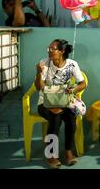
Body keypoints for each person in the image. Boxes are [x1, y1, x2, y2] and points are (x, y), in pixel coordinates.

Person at [35, 39, 86, 168]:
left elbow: (82, 83)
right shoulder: (44, 63)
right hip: (45, 102)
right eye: (49, 48)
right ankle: (51, 155)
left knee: (70, 118)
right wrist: (39, 72)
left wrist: (73, 89)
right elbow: (39, 87)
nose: (49, 51)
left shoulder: (72, 65)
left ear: (62, 51)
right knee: (55, 118)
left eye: (53, 49)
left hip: (64, 101)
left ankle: (68, 151)